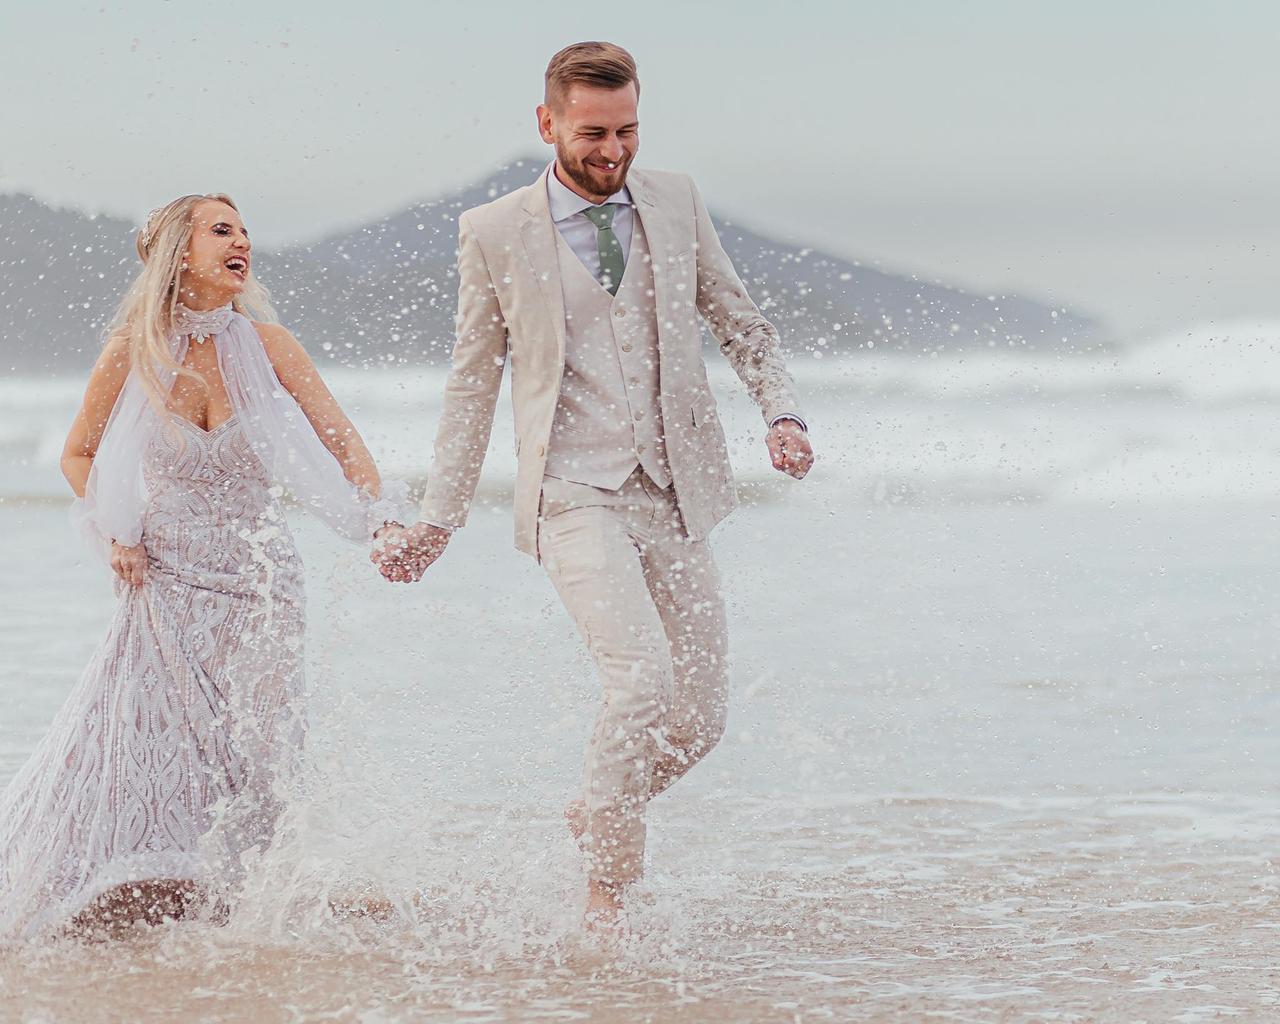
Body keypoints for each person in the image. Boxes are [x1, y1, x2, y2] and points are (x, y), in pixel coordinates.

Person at [373, 42, 814, 930]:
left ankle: (599, 809)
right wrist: (438, 518)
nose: (613, 151)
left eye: (627, 131)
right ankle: (605, 890)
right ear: (547, 124)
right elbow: (473, 381)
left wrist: (782, 413)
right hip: (572, 491)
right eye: (593, 133)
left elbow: (737, 316)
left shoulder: (677, 201)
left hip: (675, 487)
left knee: (699, 720)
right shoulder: (494, 231)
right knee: (641, 679)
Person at [0, 193, 406, 941]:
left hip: (261, 586)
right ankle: (144, 894)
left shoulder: (272, 345)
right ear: (179, 254)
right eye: (222, 230)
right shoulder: (134, 349)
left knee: (254, 755)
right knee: (148, 743)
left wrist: (380, 523)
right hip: (163, 580)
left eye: (245, 229)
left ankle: (237, 912)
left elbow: (346, 446)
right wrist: (114, 531)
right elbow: (77, 453)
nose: (242, 241)